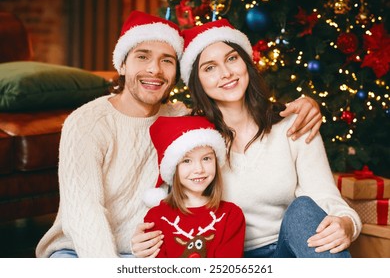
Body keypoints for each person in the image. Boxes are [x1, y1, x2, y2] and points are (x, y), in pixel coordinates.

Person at [35, 11, 320, 258]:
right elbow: (85, 215)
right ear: (121, 64)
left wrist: (306, 104)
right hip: (80, 252)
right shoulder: (86, 123)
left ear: (176, 73)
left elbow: (236, 111)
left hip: (151, 252)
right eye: (142, 57)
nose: (154, 70)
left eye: (167, 61)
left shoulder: (182, 117)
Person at [131, 19, 362, 258]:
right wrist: (146, 239)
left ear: (246, 63)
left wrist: (347, 224)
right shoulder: (195, 138)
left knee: (302, 209)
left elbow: (324, 196)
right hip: (221, 255)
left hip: (287, 251)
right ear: (197, 82)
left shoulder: (292, 125)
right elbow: (175, 202)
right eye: (209, 68)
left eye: (232, 59)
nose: (226, 73)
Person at [143, 115, 246, 258]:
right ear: (173, 168)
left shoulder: (231, 215)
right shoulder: (156, 217)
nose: (199, 169)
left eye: (206, 158)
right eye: (186, 161)